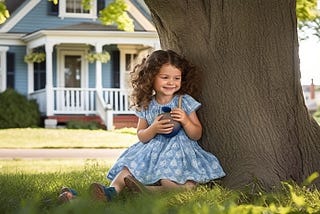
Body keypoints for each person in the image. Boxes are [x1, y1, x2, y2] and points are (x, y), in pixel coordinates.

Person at [59, 49, 225, 202]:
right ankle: (110, 192)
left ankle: (145, 190)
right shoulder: (147, 104)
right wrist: (153, 128)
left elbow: (196, 134)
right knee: (126, 171)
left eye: (176, 78)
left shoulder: (184, 101)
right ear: (151, 77)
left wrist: (186, 121)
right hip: (151, 151)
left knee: (167, 180)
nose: (171, 82)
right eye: (165, 77)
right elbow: (141, 135)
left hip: (178, 152)